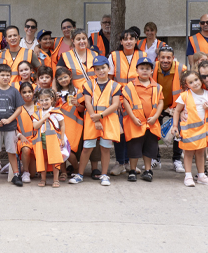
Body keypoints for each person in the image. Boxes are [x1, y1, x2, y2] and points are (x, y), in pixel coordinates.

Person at [70, 56, 120, 186]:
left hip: (108, 120)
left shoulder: (115, 85)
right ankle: (80, 174)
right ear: (94, 71)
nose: (101, 71)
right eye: (97, 69)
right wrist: (95, 118)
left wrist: (101, 116)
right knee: (87, 148)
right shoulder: (89, 84)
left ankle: (104, 175)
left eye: (103, 67)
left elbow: (115, 105)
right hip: (92, 119)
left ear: (108, 68)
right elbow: (87, 102)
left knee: (105, 148)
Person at [108, 29, 147, 175]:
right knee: (120, 133)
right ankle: (120, 162)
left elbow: (146, 77)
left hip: (137, 99)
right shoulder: (114, 56)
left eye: (132, 38)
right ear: (121, 42)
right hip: (119, 99)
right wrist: (114, 100)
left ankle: (132, 163)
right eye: (125, 39)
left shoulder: (142, 55)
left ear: (137, 40)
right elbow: (110, 80)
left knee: (134, 132)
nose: (129, 41)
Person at [170, 70, 208, 187]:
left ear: (200, 79)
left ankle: (201, 175)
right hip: (189, 130)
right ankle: (188, 176)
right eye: (191, 82)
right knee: (188, 152)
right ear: (187, 85)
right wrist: (175, 126)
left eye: (196, 80)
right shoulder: (185, 95)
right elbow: (177, 110)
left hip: (203, 129)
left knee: (201, 152)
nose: (195, 83)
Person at [121, 57, 163, 182]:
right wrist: (133, 118)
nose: (144, 71)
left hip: (151, 123)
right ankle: (132, 170)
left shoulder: (157, 87)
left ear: (151, 71)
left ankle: (148, 170)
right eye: (142, 68)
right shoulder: (130, 86)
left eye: (147, 69)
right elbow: (126, 102)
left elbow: (160, 103)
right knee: (134, 147)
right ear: (137, 70)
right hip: (135, 123)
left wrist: (155, 117)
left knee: (149, 148)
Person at [153, 45, 187, 172]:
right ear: (158, 58)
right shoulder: (153, 67)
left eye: (168, 57)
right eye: (163, 57)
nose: (165, 60)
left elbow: (187, 88)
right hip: (158, 104)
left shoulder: (181, 69)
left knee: (178, 132)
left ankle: (177, 160)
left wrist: (183, 108)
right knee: (154, 132)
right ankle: (155, 158)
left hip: (176, 107)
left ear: (173, 58)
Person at [53, 66, 84, 176]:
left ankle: (76, 169)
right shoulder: (55, 93)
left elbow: (81, 109)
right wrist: (55, 100)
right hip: (59, 125)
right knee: (60, 148)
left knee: (69, 151)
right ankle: (64, 172)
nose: (63, 80)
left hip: (72, 126)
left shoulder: (77, 91)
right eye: (60, 78)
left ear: (70, 77)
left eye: (65, 77)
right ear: (56, 80)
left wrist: (77, 104)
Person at [34, 89, 66, 187]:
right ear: (39, 101)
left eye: (46, 100)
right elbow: (35, 126)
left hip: (54, 139)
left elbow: (62, 125)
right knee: (43, 159)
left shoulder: (56, 112)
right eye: (42, 100)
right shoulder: (37, 113)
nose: (44, 102)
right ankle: (43, 179)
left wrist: (62, 138)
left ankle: (55, 180)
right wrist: (44, 118)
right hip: (41, 139)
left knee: (55, 159)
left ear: (51, 99)